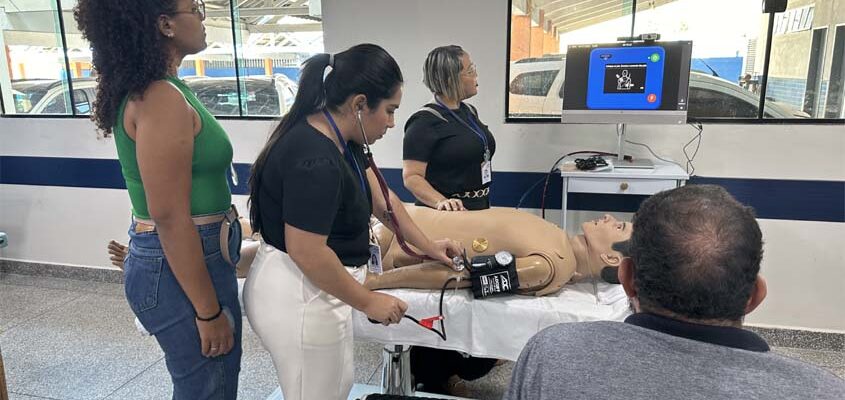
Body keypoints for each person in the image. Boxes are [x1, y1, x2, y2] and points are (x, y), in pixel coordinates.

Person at [242, 44, 463, 400]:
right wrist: (368, 301)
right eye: (389, 111)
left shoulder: (344, 141)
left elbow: (385, 202)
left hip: (318, 288)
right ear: (359, 105)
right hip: (298, 292)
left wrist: (429, 247)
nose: (392, 123)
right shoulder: (314, 159)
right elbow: (307, 251)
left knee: (335, 387)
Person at [504, 185, 845, 399]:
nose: (606, 219)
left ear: (626, 278)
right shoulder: (822, 391)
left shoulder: (552, 354)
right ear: (755, 296)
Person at [75, 1, 243, 398]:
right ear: (165, 24)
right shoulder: (160, 97)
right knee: (210, 388)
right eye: (195, 8)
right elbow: (168, 215)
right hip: (182, 262)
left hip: (187, 256)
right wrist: (208, 310)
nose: (203, 17)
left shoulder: (165, 90)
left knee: (208, 384)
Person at [364, 205, 629, 295]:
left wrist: (378, 281)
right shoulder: (558, 240)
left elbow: (459, 277)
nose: (608, 217)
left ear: (611, 258)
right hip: (391, 221)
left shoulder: (548, 267)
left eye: (618, 227)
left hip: (384, 244)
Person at [403, 45, 495, 212]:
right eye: (470, 71)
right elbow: (411, 177)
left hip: (479, 205)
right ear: (450, 79)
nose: (476, 76)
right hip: (447, 212)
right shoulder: (423, 121)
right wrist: (441, 201)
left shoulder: (469, 112)